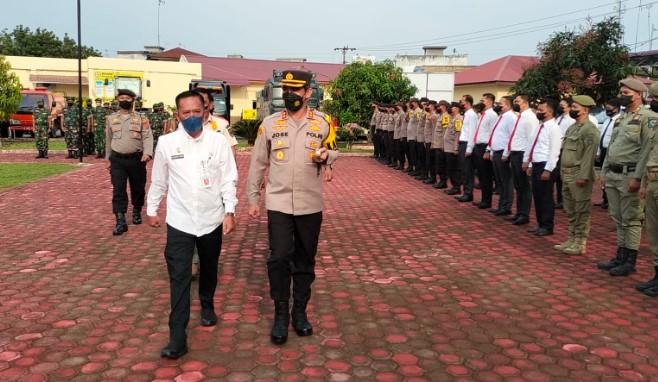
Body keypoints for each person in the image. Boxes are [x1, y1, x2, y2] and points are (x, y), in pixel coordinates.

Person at [246, 70, 338, 345]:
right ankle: (280, 314)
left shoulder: (322, 123)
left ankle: (299, 312)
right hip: (279, 202)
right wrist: (253, 198)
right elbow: (258, 163)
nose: (288, 94)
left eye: (295, 90)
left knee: (305, 259)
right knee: (279, 257)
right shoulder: (270, 123)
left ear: (308, 93)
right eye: (285, 89)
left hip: (310, 203)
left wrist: (327, 157)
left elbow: (333, 150)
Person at [147, 90, 238, 359]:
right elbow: (159, 180)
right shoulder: (166, 143)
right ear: (177, 115)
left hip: (211, 219)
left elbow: (227, 178)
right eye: (185, 113)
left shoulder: (218, 142)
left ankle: (207, 304)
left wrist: (230, 211)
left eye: (196, 112)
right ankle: (177, 336)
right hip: (179, 221)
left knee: (209, 267)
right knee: (179, 277)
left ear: (205, 112)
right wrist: (152, 210)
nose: (191, 117)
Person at [597, 78, 656, 275]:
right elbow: (612, 147)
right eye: (621, 92)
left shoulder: (648, 118)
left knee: (631, 219)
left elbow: (647, 151)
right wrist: (604, 172)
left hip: (630, 174)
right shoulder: (622, 119)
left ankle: (629, 262)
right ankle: (620, 256)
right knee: (618, 218)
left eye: (626, 93)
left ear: (639, 94)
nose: (622, 95)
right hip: (613, 173)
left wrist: (638, 178)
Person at [554, 95, 600, 254]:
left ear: (585, 110)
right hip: (566, 174)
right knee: (571, 210)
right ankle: (572, 238)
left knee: (581, 210)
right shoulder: (572, 127)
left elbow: (589, 155)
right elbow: (565, 152)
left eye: (575, 107)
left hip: (578, 175)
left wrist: (583, 176)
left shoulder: (590, 130)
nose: (571, 110)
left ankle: (580, 243)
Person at [105, 89, 154, 236]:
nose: (124, 100)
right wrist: (107, 159)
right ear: (117, 100)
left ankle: (137, 210)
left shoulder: (141, 118)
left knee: (138, 187)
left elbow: (147, 136)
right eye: (122, 97)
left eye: (127, 98)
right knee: (118, 189)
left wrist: (147, 153)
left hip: (136, 159)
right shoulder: (111, 118)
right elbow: (108, 139)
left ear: (133, 101)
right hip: (117, 159)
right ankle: (120, 220)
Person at [524, 99, 563, 236]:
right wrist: (530, 163)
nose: (539, 112)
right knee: (538, 196)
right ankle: (540, 223)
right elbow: (534, 145)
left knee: (546, 197)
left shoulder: (554, 128)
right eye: (538, 110)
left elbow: (554, 151)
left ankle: (547, 226)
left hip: (546, 165)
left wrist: (548, 169)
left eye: (542, 110)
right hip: (536, 163)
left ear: (550, 112)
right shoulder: (539, 126)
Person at [505, 94, 539, 225]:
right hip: (515, 153)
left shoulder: (530, 118)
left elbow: (531, 140)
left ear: (525, 103)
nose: (515, 103)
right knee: (518, 185)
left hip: (522, 154)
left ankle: (524, 214)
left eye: (517, 101)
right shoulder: (520, 117)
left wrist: (528, 160)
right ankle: (519, 212)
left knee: (524, 186)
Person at [637, 81, 658, 297]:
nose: (653, 103)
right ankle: (656, 274)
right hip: (652, 182)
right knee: (653, 232)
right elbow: (648, 156)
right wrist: (644, 183)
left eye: (656, 100)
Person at [486, 96, 515, 216]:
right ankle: (500, 205)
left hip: (504, 153)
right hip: (496, 152)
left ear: (507, 105)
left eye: (501, 103)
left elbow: (511, 137)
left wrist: (506, 153)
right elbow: (495, 135)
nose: (498, 105)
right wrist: (491, 151)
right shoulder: (500, 117)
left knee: (506, 182)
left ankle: (506, 206)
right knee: (500, 182)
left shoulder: (511, 117)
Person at [593, 99, 621, 209]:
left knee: (610, 177)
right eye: (606, 109)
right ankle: (605, 198)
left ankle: (610, 200)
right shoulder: (607, 121)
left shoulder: (619, 121)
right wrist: (598, 153)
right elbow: (602, 138)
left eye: (609, 109)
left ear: (616, 109)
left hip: (612, 152)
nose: (607, 111)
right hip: (603, 150)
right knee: (603, 176)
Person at [471, 94, 497, 209]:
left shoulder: (492, 115)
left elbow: (493, 133)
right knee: (481, 175)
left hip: (485, 146)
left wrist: (488, 150)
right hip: (478, 146)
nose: (481, 102)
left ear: (490, 102)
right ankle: (483, 199)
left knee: (486, 175)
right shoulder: (482, 114)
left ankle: (487, 201)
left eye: (484, 100)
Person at [555, 99, 576, 209]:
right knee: (558, 176)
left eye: (562, 105)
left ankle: (565, 200)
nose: (560, 107)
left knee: (564, 176)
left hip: (565, 149)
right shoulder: (559, 118)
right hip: (557, 149)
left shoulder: (571, 120)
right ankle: (559, 199)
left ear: (568, 107)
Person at [457, 95, 477, 202]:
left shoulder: (471, 114)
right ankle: (466, 191)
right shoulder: (467, 114)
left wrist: (469, 148)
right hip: (463, 143)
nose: (461, 102)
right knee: (464, 170)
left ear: (468, 102)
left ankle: (468, 193)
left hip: (467, 144)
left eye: (462, 101)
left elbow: (472, 132)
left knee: (468, 170)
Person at [444, 102, 463, 195]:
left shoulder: (458, 119)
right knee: (450, 168)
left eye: (452, 107)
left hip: (452, 148)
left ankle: (456, 187)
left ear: (457, 109)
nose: (450, 109)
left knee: (455, 168)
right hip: (448, 147)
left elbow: (457, 134)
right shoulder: (452, 118)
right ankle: (453, 186)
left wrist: (456, 148)